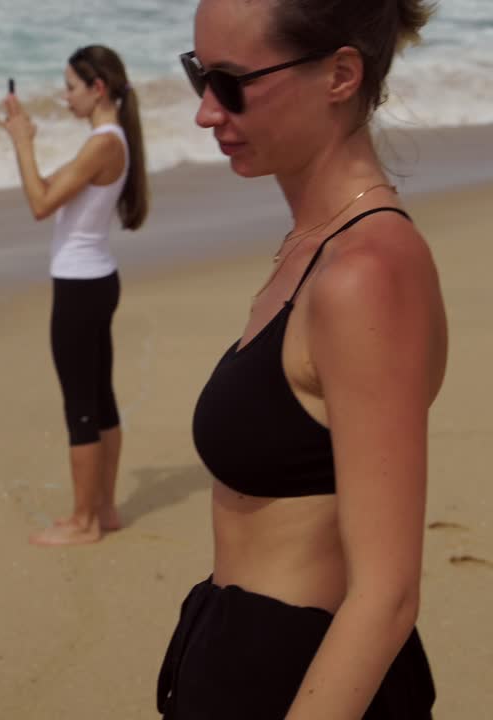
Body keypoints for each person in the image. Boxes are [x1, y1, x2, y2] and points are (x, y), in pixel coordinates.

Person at [158, 1, 442, 717]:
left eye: (230, 82)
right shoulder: (314, 247)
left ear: (340, 74)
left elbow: (386, 594)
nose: (205, 111)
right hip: (248, 661)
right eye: (199, 75)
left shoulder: (367, 272)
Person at [0, 45, 150, 545]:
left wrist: (21, 142)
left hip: (82, 287)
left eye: (70, 86)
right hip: (94, 280)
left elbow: (39, 204)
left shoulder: (104, 144)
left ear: (97, 88)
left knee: (82, 404)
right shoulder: (107, 143)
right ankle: (102, 509)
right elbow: (47, 189)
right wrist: (27, 138)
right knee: (99, 399)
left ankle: (84, 522)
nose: (65, 97)